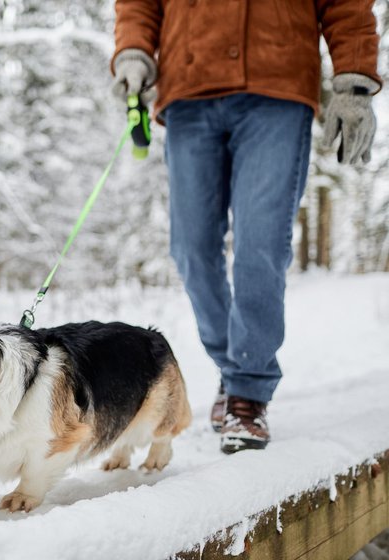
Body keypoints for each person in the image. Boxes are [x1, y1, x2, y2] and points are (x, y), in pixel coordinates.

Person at [111, 1, 381, 453]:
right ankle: (235, 366)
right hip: (189, 89)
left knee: (261, 245)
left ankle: (247, 391)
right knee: (192, 249)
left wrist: (353, 81)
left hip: (276, 83)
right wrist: (134, 51)